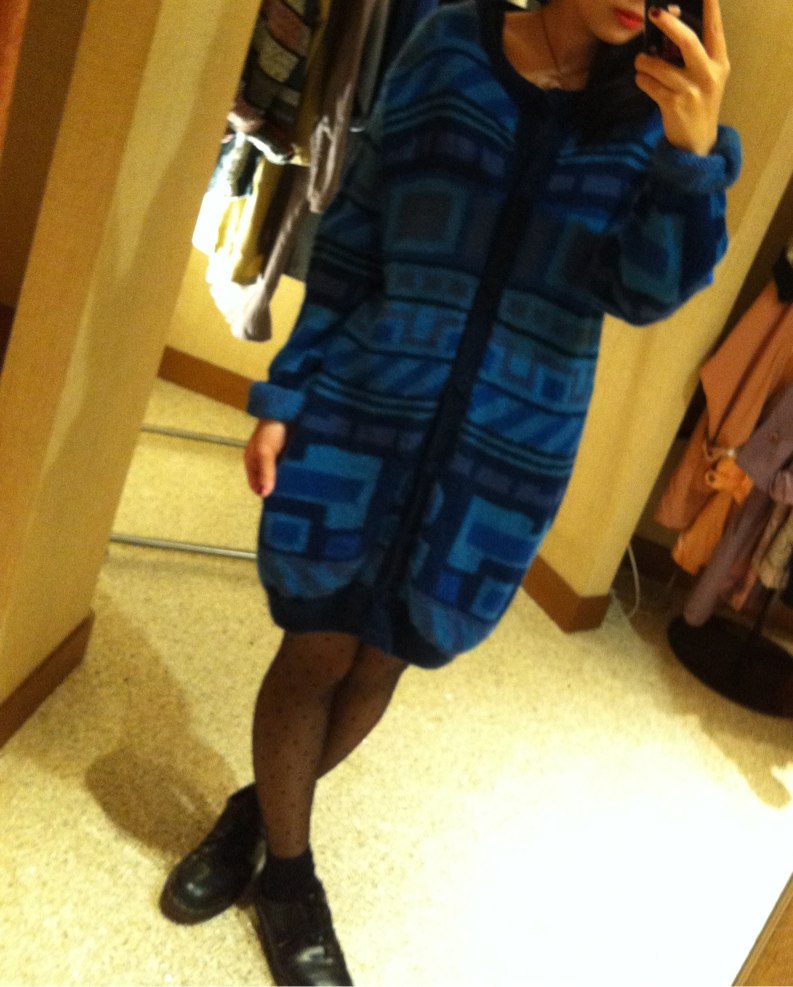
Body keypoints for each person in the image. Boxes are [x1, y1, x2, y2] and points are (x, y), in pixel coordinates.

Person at [161, 0, 739, 983]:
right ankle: (290, 882)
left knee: (384, 655)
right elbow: (353, 232)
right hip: (364, 406)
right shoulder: (447, 45)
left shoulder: (653, 114)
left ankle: (254, 817)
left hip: (503, 455)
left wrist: (690, 160)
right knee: (317, 644)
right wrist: (288, 392)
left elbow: (642, 292)